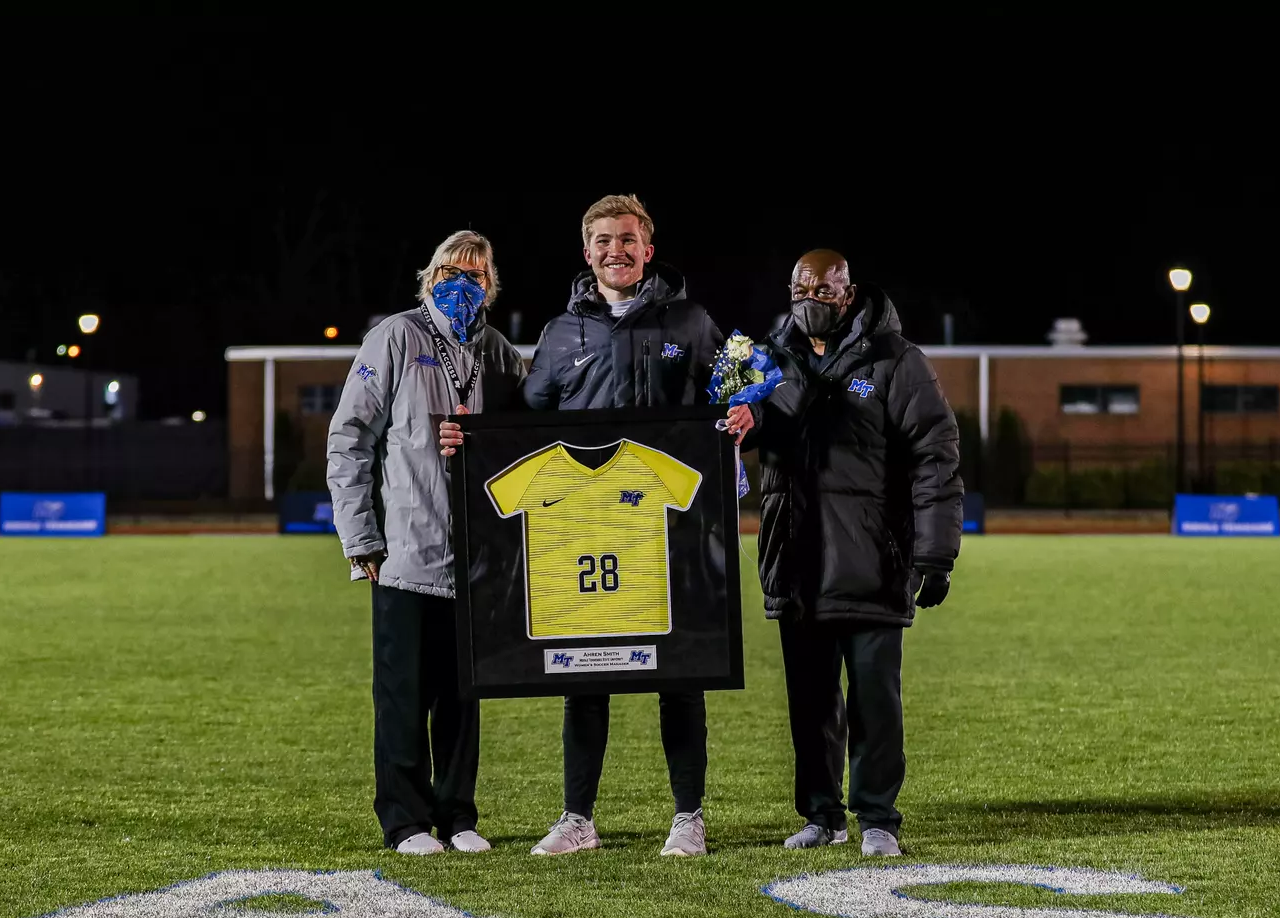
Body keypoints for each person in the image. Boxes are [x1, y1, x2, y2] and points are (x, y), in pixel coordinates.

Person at [439, 194, 723, 857]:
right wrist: (468, 433)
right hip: (584, 536)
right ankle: (578, 819)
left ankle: (688, 816)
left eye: (627, 239)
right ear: (585, 250)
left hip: (667, 527)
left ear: (647, 248)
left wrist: (746, 422)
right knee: (582, 676)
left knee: (679, 672)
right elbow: (523, 421)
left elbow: (733, 399)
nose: (614, 250)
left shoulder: (693, 321)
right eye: (601, 240)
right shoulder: (563, 331)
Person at [734, 249, 962, 857]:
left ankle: (878, 818)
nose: (811, 299)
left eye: (824, 290)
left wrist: (936, 554)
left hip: (872, 560)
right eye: (799, 287)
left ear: (848, 291)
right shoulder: (765, 359)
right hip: (797, 557)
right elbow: (743, 434)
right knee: (809, 703)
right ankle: (820, 814)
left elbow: (934, 457)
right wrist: (734, 422)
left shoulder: (896, 360)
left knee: (874, 701)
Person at [329, 230, 526, 855]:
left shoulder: (497, 352)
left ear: (491, 284)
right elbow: (350, 437)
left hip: (476, 559)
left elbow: (526, 443)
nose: (462, 282)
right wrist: (361, 535)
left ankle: (458, 816)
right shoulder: (395, 337)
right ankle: (406, 821)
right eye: (450, 269)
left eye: (475, 272)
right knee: (404, 695)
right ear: (429, 276)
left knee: (465, 696)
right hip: (405, 553)